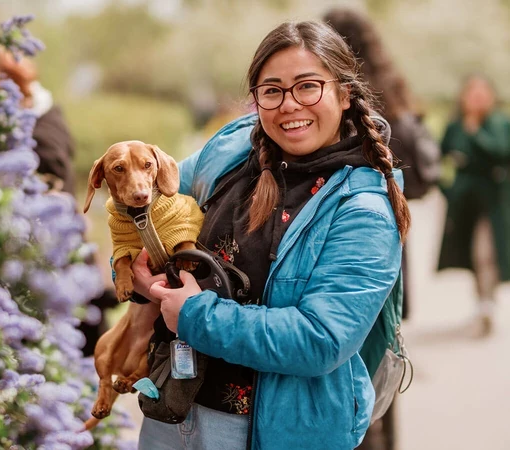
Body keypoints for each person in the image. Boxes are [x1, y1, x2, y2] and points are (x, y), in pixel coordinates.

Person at [129, 20, 408, 449]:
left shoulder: (363, 209)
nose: (289, 105)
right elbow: (150, 202)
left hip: (266, 432)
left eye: (307, 86)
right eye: (272, 90)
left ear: (343, 93)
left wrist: (192, 315)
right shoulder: (232, 148)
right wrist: (137, 264)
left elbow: (319, 339)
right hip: (172, 408)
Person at [323, 9, 441, 450]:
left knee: (345, 369)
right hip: (390, 232)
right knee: (380, 362)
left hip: (341, 239)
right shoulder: (393, 91)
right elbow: (424, 176)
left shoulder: (335, 97)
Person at [0, 51, 119, 356]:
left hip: (56, 256)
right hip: (55, 254)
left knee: (75, 342)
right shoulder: (42, 116)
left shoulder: (42, 128)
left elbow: (54, 187)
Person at [437, 74, 510, 337]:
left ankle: (486, 305)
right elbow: (438, 157)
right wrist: (447, 189)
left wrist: (476, 132)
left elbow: (501, 152)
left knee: (486, 253)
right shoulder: (456, 125)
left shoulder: (499, 123)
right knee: (471, 255)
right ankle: (482, 302)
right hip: (465, 201)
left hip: (494, 201)